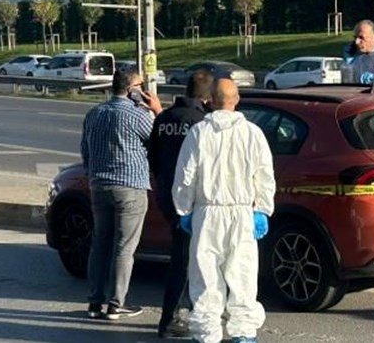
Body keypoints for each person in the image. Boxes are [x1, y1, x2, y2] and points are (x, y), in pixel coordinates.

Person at [172, 78, 275, 343]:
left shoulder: (198, 133)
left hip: (207, 214)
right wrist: (261, 209)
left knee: (205, 276)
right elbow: (264, 175)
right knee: (242, 274)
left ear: (210, 101)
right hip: (242, 214)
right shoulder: (252, 133)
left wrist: (184, 210)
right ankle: (243, 332)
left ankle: (207, 333)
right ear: (237, 99)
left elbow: (186, 176)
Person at [80, 68, 162, 321]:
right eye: (141, 85)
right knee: (124, 247)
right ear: (131, 89)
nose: (144, 89)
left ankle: (94, 302)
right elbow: (159, 142)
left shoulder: (94, 113)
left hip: (98, 185)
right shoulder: (139, 115)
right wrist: (157, 110)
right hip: (130, 187)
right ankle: (116, 303)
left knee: (100, 242)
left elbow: (85, 150)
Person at [147, 68, 214, 339]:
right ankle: (172, 318)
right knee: (188, 259)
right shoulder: (203, 122)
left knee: (183, 255)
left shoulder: (163, 118)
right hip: (194, 200)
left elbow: (153, 160)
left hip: (167, 197)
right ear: (208, 97)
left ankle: (184, 314)